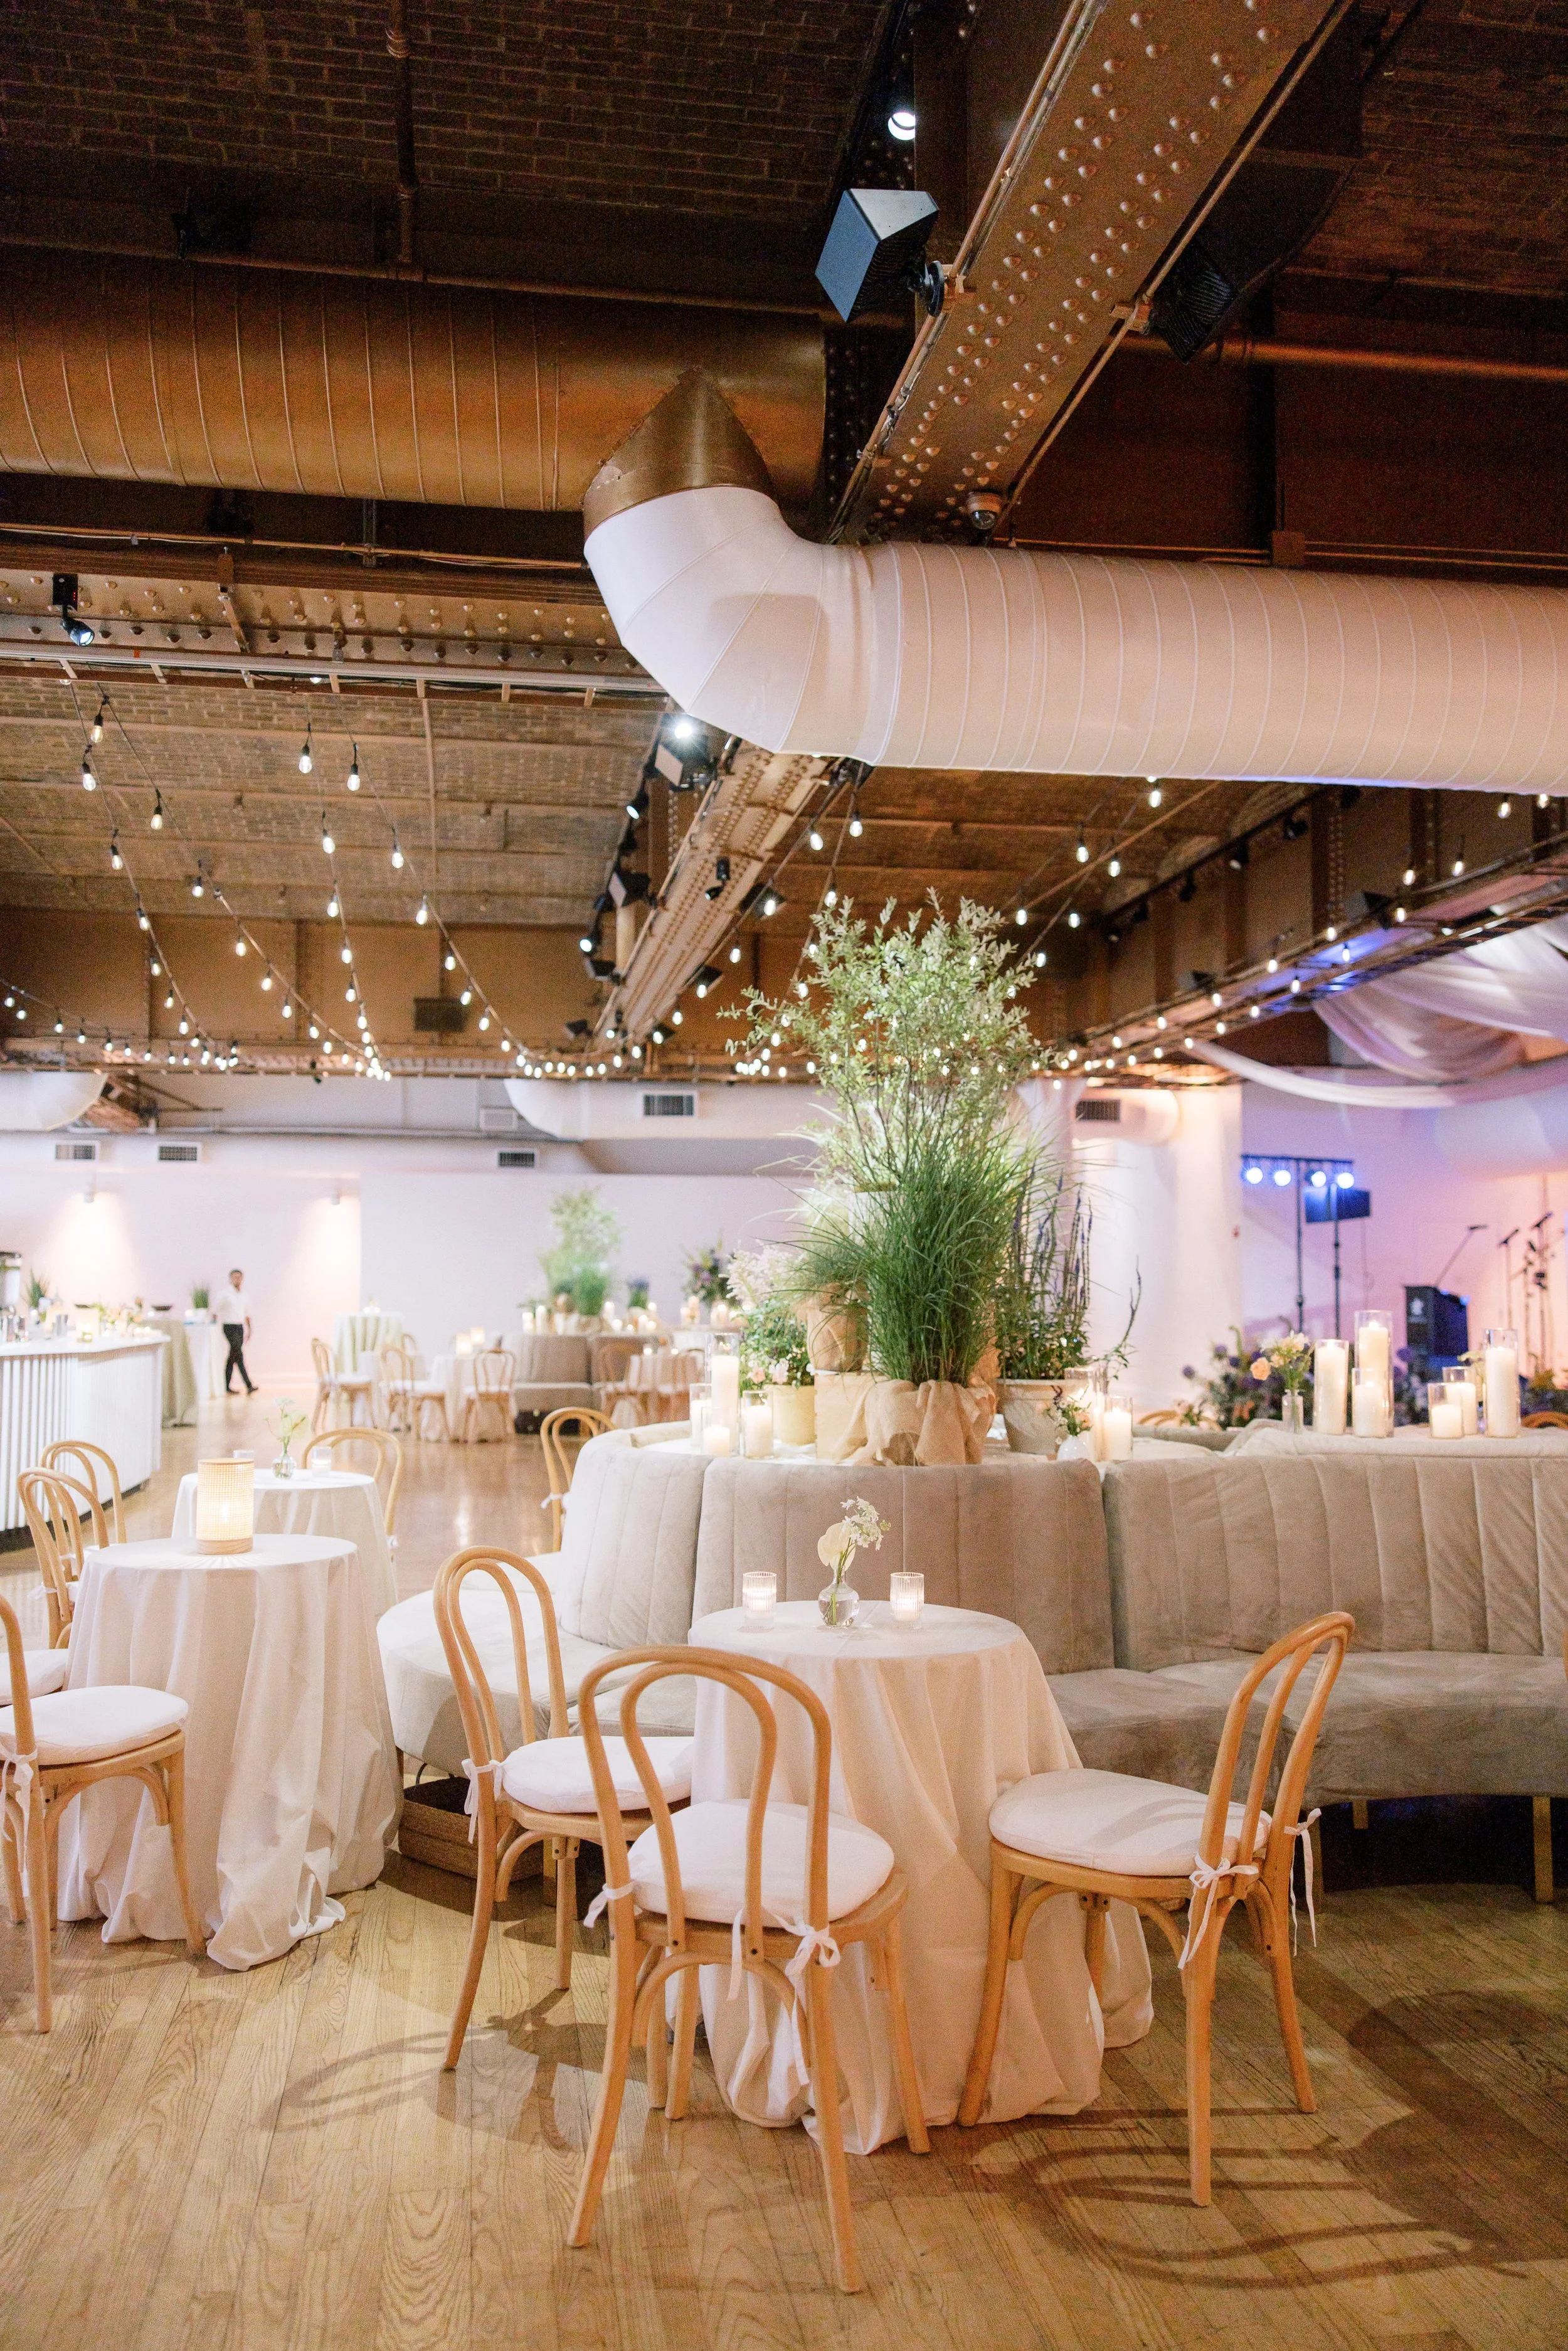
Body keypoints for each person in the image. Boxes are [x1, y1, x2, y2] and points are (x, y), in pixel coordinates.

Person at [213, 1268, 256, 1395]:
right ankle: (248, 1384)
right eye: (234, 1277)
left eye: (239, 1277)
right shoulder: (225, 1294)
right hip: (229, 1327)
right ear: (230, 1279)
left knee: (233, 1356)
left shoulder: (244, 1296)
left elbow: (247, 1314)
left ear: (242, 1279)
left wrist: (249, 1329)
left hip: (240, 1327)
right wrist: (214, 1327)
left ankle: (226, 1386)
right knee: (238, 1354)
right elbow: (215, 1310)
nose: (237, 1280)